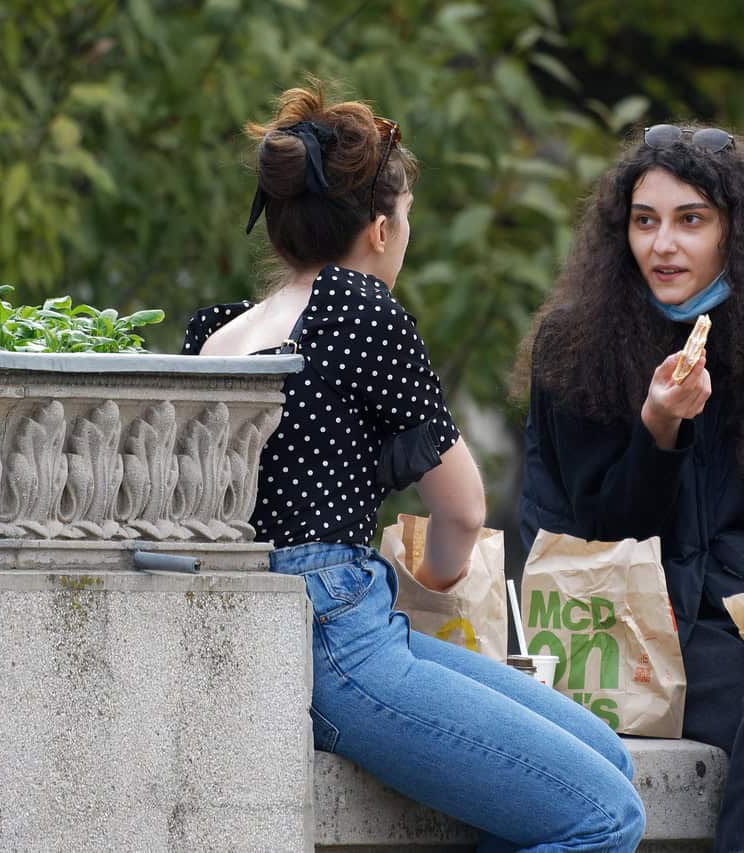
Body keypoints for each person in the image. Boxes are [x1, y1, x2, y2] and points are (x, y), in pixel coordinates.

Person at [183, 81, 645, 852]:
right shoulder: (360, 308)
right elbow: (461, 510)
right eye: (404, 223)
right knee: (605, 814)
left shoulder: (217, 333)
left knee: (605, 759)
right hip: (340, 641)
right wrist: (428, 580)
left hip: (262, 628)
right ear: (377, 230)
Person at [516, 124, 744, 853]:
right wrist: (658, 429)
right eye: (645, 221)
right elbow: (598, 529)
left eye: (690, 220)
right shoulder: (576, 342)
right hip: (629, 630)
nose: (663, 245)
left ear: (732, 232)